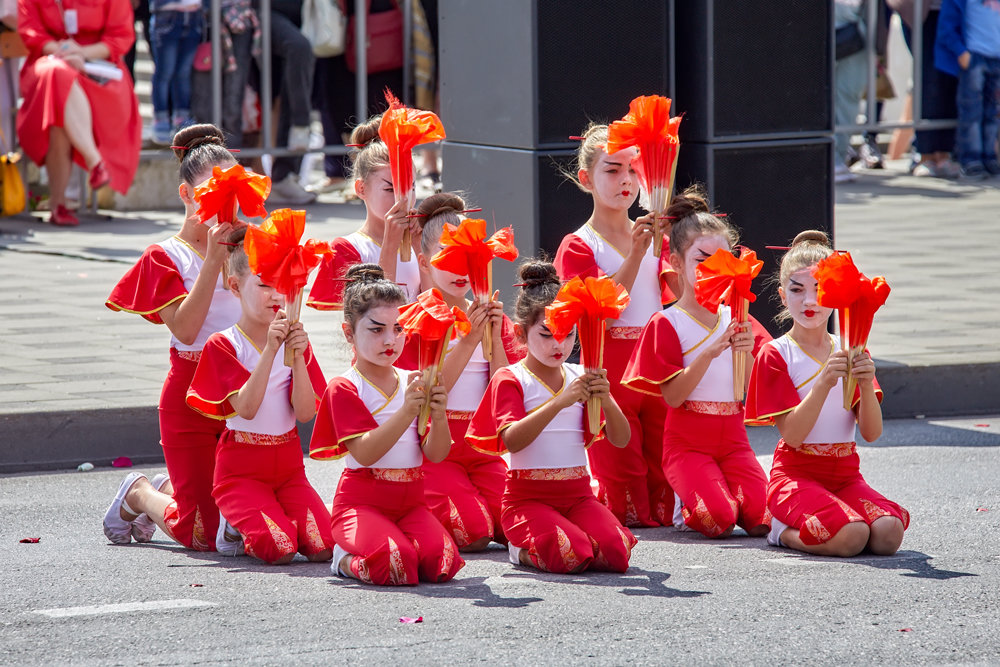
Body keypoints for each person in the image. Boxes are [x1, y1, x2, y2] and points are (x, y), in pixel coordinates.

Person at [103, 125, 242, 551]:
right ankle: (140, 492)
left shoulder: (252, 247)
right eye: (212, 190)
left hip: (245, 392)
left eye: (234, 189)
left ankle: (178, 487)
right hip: (189, 397)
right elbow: (184, 327)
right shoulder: (165, 255)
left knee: (254, 522)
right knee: (202, 534)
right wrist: (216, 260)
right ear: (186, 194)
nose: (225, 202)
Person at [467, 261, 637, 574]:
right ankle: (520, 548)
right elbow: (511, 441)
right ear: (520, 332)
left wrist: (607, 399)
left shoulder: (579, 374)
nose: (558, 345)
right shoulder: (511, 377)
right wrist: (561, 401)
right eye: (546, 334)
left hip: (579, 496)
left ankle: (573, 536)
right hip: (527, 500)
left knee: (617, 551)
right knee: (570, 554)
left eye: (568, 334)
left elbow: (620, 439)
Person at [621, 187, 772, 539]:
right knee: (718, 520)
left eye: (724, 261)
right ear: (676, 263)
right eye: (703, 260)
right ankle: (685, 501)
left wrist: (745, 352)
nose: (714, 271)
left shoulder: (739, 316)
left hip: (735, 441)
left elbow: (752, 390)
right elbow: (672, 398)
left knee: (760, 519)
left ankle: (722, 492)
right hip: (687, 446)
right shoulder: (667, 322)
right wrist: (710, 351)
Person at [745, 231, 908, 556]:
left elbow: (872, 433)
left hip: (846, 474)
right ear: (782, 294)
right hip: (796, 475)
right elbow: (792, 435)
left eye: (820, 289)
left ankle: (826, 521)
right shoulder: (777, 354)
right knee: (851, 536)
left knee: (888, 533)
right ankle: (782, 532)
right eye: (797, 290)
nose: (809, 301)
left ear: (836, 294)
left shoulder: (850, 347)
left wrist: (864, 380)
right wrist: (823, 382)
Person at [309, 264, 465, 585]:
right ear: (349, 333)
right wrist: (408, 411)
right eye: (377, 329)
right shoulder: (345, 386)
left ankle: (394, 541)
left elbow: (435, 455)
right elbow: (364, 454)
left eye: (399, 329)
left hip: (412, 503)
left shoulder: (411, 380)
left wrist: (438, 415)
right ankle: (344, 558)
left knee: (443, 563)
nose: (390, 340)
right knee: (396, 563)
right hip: (362, 503)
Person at [185, 227, 333, 564]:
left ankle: (266, 516)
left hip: (289, 468)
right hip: (241, 472)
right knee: (279, 550)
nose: (276, 295)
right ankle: (234, 524)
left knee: (323, 547)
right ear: (235, 286)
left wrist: (297, 358)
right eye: (264, 285)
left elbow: (306, 413)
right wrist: (270, 350)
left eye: (283, 284)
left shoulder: (295, 339)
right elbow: (247, 409)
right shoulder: (224, 344)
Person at [553, 124, 676, 529]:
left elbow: (678, 298)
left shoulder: (655, 236)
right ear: (585, 178)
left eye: (633, 170)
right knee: (626, 492)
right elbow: (597, 309)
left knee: (662, 474)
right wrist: (638, 254)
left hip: (657, 363)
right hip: (610, 366)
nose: (625, 180)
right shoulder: (578, 244)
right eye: (612, 170)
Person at [396, 193, 522, 551]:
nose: (460, 269)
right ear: (424, 261)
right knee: (474, 532)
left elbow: (504, 395)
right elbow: (424, 395)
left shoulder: (489, 314)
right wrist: (467, 342)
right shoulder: (416, 317)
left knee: (511, 521)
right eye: (448, 257)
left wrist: (496, 338)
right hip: (437, 450)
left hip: (482, 448)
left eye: (469, 258)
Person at [17, 0, 141, 225]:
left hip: (95, 67)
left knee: (58, 104)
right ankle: (95, 162)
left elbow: (120, 37)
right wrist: (65, 54)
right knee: (57, 76)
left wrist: (81, 54)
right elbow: (32, 33)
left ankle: (58, 203)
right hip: (48, 63)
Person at [306, 115, 424, 310]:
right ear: (361, 189)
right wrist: (390, 246)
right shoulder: (346, 249)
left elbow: (437, 306)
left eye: (411, 187)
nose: (403, 199)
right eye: (389, 189)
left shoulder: (422, 239)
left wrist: (421, 248)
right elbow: (374, 312)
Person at [936, 0, 1000, 179]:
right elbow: (946, 28)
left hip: (996, 58)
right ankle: (971, 159)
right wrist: (961, 51)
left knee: (993, 113)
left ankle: (989, 156)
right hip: (974, 58)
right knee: (971, 112)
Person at [265, 0, 316, 204]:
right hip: (257, 12)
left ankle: (284, 176)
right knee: (299, 47)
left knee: (293, 84)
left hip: (302, 13)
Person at [148, 0, 202, 144]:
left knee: (183, 73)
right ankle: (161, 118)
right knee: (164, 72)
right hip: (166, 20)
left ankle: (182, 117)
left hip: (193, 20)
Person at [834, 0, 869, 183]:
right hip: (817, 23)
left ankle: (839, 156)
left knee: (849, 96)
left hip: (855, 26)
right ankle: (829, 157)